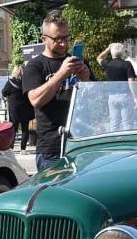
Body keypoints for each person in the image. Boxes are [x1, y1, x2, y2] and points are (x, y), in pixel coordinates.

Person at [22, 9, 92, 171]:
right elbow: (35, 100)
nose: (63, 43)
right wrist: (61, 74)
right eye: (57, 39)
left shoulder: (77, 61)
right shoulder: (36, 66)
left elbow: (95, 97)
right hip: (51, 148)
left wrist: (87, 79)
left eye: (66, 38)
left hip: (80, 141)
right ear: (44, 39)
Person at [97, 43, 137, 131]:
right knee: (127, 123)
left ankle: (114, 142)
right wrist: (135, 96)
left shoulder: (108, 63)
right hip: (125, 95)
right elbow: (131, 81)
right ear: (122, 52)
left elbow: (99, 58)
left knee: (114, 123)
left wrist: (108, 49)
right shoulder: (127, 64)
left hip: (112, 96)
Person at [3, 65, 34, 152]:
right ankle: (23, 149)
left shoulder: (10, 82)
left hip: (14, 108)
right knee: (25, 128)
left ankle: (11, 147)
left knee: (13, 128)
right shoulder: (27, 82)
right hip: (26, 108)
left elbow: (4, 92)